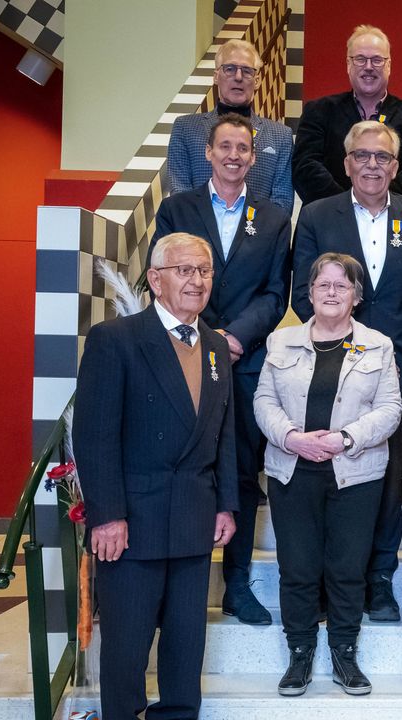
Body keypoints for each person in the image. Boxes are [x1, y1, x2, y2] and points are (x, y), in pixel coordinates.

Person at [74, 232, 238, 720]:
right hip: (131, 524)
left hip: (193, 518)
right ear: (155, 279)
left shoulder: (214, 346)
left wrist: (226, 503)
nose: (197, 281)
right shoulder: (116, 339)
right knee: (126, 647)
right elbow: (95, 436)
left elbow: (224, 432)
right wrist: (107, 516)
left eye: (204, 271)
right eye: (184, 270)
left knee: (186, 646)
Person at [291, 121, 402, 622]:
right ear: (346, 161)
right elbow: (303, 292)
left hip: (397, 365)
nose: (372, 164)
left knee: (382, 476)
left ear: (396, 167)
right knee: (326, 479)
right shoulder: (315, 215)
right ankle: (319, 585)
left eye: (383, 157)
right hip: (327, 365)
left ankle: (379, 579)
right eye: (362, 155)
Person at [152, 113, 292, 626]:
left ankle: (237, 584)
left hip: (248, 361)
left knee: (241, 473)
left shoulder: (274, 219)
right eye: (224, 147)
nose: (234, 156)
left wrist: (236, 337)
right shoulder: (177, 209)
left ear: (254, 159)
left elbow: (278, 292)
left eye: (243, 149)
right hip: (186, 354)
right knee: (185, 466)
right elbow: (165, 280)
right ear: (207, 153)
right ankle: (176, 580)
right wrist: (211, 337)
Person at [255, 253, 402, 697]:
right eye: (323, 285)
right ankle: (299, 656)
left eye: (342, 285)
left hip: (355, 473)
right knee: (297, 567)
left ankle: (344, 654)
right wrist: (292, 438)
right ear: (310, 292)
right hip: (292, 469)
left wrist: (345, 439)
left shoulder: (379, 344)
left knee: (347, 568)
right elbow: (264, 401)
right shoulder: (280, 342)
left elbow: (391, 409)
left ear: (357, 296)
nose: (332, 292)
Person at [291, 25, 402, 205]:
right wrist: (346, 207)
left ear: (389, 65)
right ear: (348, 64)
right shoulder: (318, 111)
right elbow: (305, 168)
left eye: (377, 60)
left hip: (395, 223)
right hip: (326, 223)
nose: (368, 67)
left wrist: (376, 202)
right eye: (360, 59)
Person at [167, 39, 294, 210]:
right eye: (230, 69)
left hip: (257, 233)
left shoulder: (280, 136)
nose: (239, 77)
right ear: (216, 76)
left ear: (256, 81)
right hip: (197, 234)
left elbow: (282, 203)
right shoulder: (186, 128)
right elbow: (179, 195)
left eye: (247, 71)